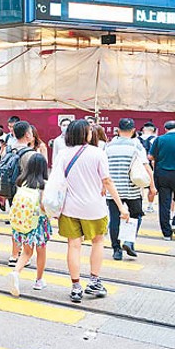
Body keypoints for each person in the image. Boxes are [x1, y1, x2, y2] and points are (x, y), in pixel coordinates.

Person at [55, 119, 128, 303]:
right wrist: (121, 207)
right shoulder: (97, 153)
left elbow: (57, 181)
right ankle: (94, 282)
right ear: (84, 133)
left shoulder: (63, 154)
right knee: (97, 242)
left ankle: (76, 287)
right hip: (95, 208)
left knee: (73, 246)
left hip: (70, 208)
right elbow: (107, 182)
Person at [105, 118, 155, 260]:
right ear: (133, 130)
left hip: (113, 191)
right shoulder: (136, 145)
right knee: (136, 216)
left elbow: (103, 170)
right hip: (132, 189)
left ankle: (116, 249)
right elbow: (146, 166)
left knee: (114, 219)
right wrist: (152, 185)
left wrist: (103, 187)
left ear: (117, 130)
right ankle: (129, 241)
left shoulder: (108, 147)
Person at [7, 153, 51, 297]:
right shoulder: (43, 184)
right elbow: (44, 206)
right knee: (41, 250)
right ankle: (39, 280)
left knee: (26, 251)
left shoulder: (22, 181)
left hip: (23, 221)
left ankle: (15, 272)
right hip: (38, 222)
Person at [4, 121, 35, 266]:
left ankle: (14, 254)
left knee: (15, 224)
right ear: (28, 134)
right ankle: (25, 255)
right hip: (26, 195)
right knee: (28, 225)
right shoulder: (30, 154)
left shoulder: (9, 150)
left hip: (11, 192)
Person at [149, 120, 175, 240]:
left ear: (165, 129)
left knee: (164, 203)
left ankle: (166, 233)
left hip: (163, 174)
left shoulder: (159, 140)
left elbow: (150, 156)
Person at [139, 122, 158, 212]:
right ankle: (150, 206)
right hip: (151, 165)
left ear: (143, 129)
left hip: (138, 165)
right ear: (153, 130)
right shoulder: (155, 139)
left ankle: (140, 205)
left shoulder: (136, 139)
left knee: (138, 185)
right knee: (151, 186)